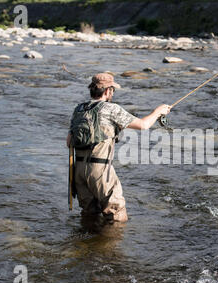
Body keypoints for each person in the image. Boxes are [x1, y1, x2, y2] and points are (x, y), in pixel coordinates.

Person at [66, 73, 170, 223]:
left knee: (89, 215)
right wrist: (158, 112)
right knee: (116, 217)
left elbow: (68, 142)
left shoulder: (78, 109)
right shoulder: (111, 109)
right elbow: (143, 125)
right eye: (112, 90)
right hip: (100, 171)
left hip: (78, 171)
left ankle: (85, 244)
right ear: (108, 91)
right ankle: (110, 246)